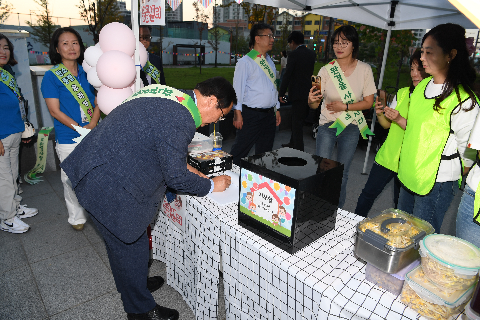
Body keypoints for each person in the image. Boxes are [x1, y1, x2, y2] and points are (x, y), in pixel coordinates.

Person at [60, 77, 236, 320]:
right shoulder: (181, 116)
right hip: (106, 183)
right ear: (213, 101)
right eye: (222, 114)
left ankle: (135, 284)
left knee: (125, 246)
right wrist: (209, 185)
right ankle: (140, 309)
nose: (218, 121)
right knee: (131, 246)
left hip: (96, 166)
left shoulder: (173, 97)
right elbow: (175, 177)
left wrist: (186, 167)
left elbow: (158, 142)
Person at [386, 23, 479, 233]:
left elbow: (470, 149)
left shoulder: (463, 101)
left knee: (422, 237)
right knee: (401, 231)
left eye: (429, 52)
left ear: (451, 55)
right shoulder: (421, 89)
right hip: (409, 173)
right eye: (422, 52)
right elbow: (415, 130)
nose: (422, 58)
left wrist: (455, 170)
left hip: (437, 182)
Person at [308, 25, 376, 208]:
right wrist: (311, 100)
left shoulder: (364, 70)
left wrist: (344, 106)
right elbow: (315, 104)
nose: (339, 46)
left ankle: (336, 210)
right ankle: (318, 207)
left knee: (342, 173)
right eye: (336, 42)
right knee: (322, 169)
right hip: (327, 125)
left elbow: (368, 102)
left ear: (353, 45)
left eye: (344, 42)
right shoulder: (326, 70)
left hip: (352, 126)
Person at [354, 50, 428, 217]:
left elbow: (426, 134)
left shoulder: (431, 101)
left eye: (419, 69)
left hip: (409, 164)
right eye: (412, 69)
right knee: (367, 195)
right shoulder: (402, 93)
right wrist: (380, 112)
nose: (415, 74)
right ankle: (353, 227)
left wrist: (401, 119)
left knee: (400, 208)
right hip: (387, 157)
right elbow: (387, 125)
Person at [41, 27, 101, 231]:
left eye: (74, 42)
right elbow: (54, 110)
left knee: (95, 174)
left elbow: (100, 100)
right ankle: (76, 217)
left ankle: (97, 211)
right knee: (70, 178)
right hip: (68, 135)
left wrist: (92, 124)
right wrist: (79, 128)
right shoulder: (52, 76)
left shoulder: (89, 72)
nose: (71, 47)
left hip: (92, 131)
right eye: (64, 43)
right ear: (57, 48)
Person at [0, 34, 38, 233]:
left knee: (13, 174)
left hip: (14, 130)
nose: (3, 51)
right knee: (4, 178)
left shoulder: (6, 73)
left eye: (6, 47)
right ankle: (7, 217)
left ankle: (14, 206)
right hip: (1, 135)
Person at [230, 23, 281, 165]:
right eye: (269, 36)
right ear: (257, 39)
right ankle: (229, 179)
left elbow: (273, 88)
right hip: (251, 115)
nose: (272, 39)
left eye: (272, 36)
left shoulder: (270, 62)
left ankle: (259, 181)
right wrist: (237, 113)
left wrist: (277, 109)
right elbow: (237, 90)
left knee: (265, 153)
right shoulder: (245, 62)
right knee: (240, 151)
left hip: (269, 115)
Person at [278, 31, 316, 151]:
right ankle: (292, 142)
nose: (289, 46)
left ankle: (299, 149)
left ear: (293, 42)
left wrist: (281, 93)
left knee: (296, 123)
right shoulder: (311, 54)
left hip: (297, 93)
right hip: (308, 92)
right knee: (298, 119)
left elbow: (287, 75)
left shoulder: (293, 55)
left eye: (289, 43)